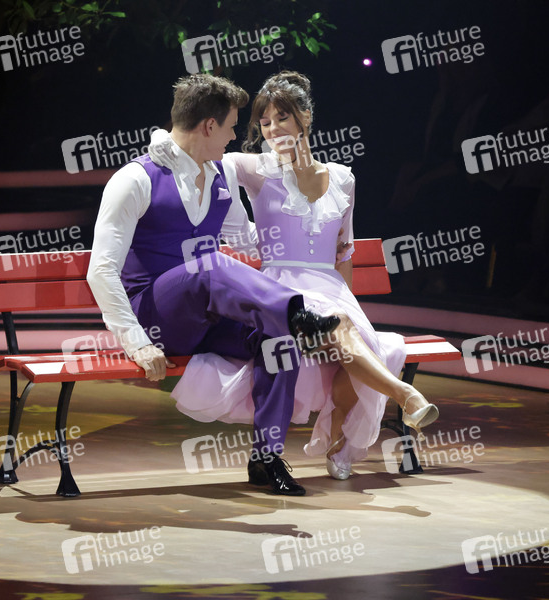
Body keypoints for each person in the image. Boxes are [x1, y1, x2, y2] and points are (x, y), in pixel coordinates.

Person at [169, 71, 438, 480]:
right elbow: (202, 153)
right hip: (281, 290)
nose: (273, 129)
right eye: (264, 122)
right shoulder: (255, 168)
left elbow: (343, 252)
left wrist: (351, 304)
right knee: (342, 329)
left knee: (359, 337)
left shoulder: (343, 178)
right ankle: (405, 395)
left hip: (332, 289)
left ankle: (339, 432)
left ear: (306, 117)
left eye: (283, 118)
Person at [86, 73, 340, 496]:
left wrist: (315, 238)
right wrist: (137, 343)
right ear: (208, 126)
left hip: (204, 317)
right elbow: (101, 270)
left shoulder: (220, 174)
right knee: (208, 263)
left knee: (278, 339)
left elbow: (248, 239)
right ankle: (295, 312)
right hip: (155, 317)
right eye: (230, 127)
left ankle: (266, 459)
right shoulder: (135, 179)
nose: (234, 137)